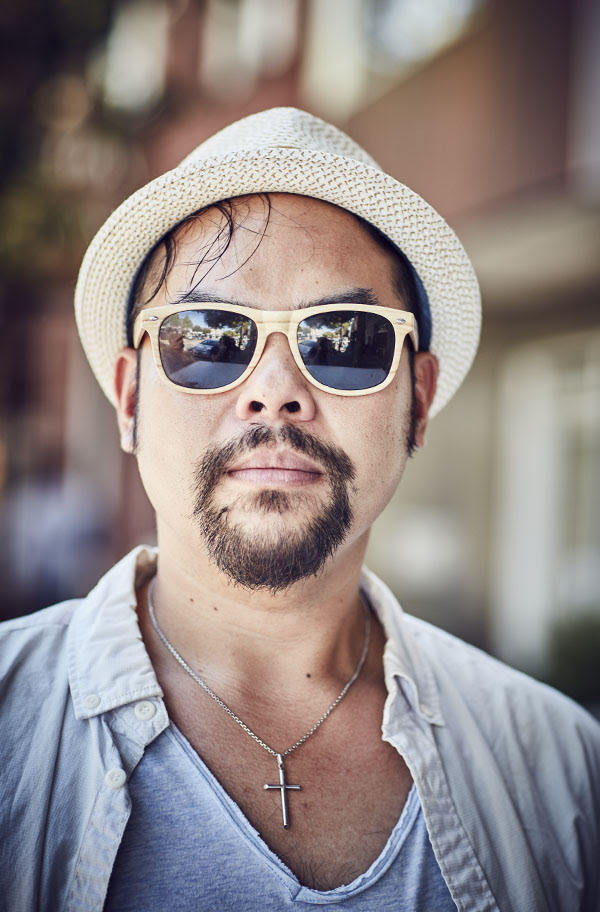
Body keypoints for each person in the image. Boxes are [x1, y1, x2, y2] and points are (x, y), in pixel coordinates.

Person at [0, 108, 598, 912]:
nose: (273, 389)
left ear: (416, 401)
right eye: (208, 336)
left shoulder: (564, 774)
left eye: (342, 339)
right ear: (129, 394)